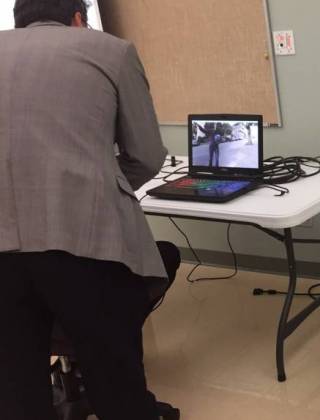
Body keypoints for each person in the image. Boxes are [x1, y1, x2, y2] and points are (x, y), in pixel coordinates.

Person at [0, 1, 179, 419]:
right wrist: (101, 184)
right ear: (79, 18)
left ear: (17, 21)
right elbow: (147, 156)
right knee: (113, 372)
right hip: (82, 241)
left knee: (15, 381)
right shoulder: (111, 51)